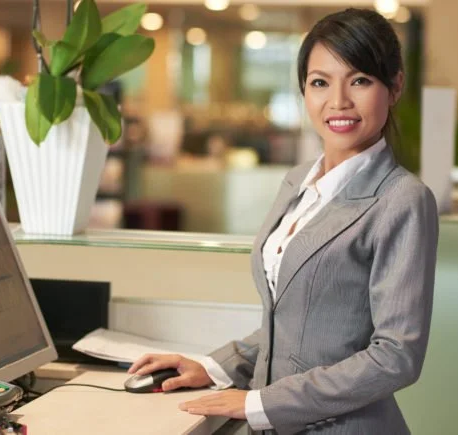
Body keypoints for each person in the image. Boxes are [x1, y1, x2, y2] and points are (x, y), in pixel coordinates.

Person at [128, 8, 439, 435]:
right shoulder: (298, 182)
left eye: (360, 80)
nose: (338, 102)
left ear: (395, 86)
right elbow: (294, 325)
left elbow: (395, 357)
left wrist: (260, 402)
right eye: (320, 82)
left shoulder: (402, 199)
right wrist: (213, 366)